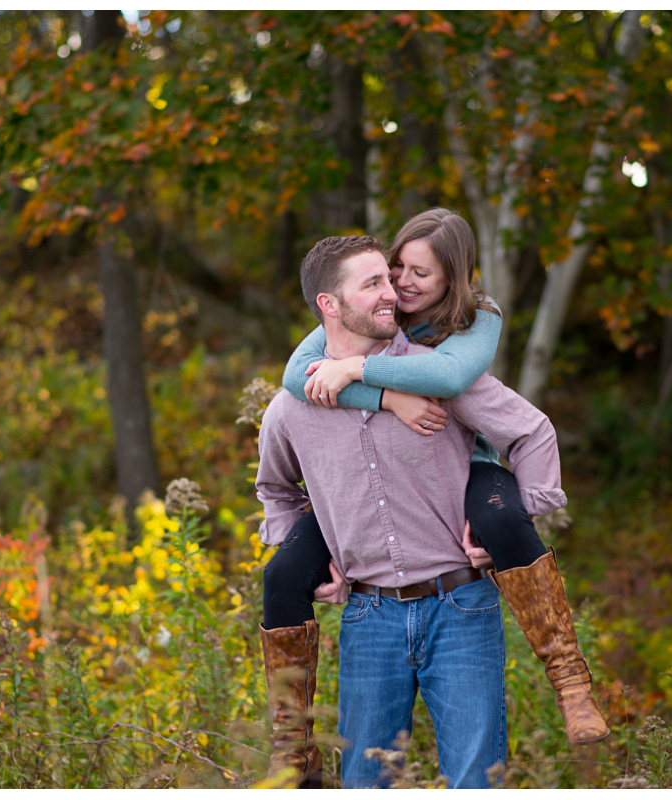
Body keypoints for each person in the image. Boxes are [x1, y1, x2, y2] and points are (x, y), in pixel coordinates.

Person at [257, 211, 608, 787]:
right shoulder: (293, 404)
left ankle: (572, 684)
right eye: (374, 281)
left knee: (476, 781)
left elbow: (530, 430)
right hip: (368, 617)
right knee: (367, 784)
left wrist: (509, 517)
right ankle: (290, 748)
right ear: (328, 304)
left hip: (461, 607)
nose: (393, 290)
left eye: (392, 278)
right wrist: (312, 556)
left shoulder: (441, 373)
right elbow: (274, 488)